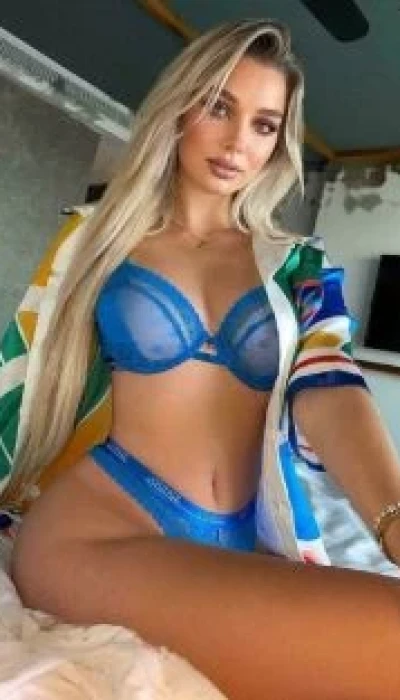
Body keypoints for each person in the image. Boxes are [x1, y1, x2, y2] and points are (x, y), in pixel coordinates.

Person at [0, 18, 399, 699]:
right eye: (219, 107)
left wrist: (392, 521)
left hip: (242, 530)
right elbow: (22, 374)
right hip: (101, 527)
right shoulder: (96, 239)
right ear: (180, 107)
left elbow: (331, 387)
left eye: (264, 125)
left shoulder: (297, 266)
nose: (239, 142)